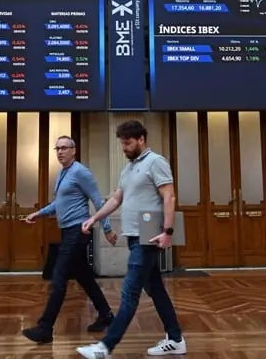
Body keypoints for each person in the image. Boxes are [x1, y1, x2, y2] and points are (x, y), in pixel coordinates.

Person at [76, 120, 186, 358]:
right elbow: (116, 199)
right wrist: (94, 218)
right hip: (134, 236)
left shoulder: (156, 162)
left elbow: (169, 196)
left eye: (127, 143)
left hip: (148, 238)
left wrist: (168, 232)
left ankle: (105, 347)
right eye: (122, 144)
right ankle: (175, 338)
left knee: (130, 291)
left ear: (141, 140)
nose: (124, 148)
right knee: (155, 289)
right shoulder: (127, 170)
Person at [21, 135, 118, 345]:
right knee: (84, 276)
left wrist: (107, 229)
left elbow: (98, 200)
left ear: (74, 150)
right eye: (57, 148)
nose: (60, 152)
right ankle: (106, 315)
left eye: (64, 148)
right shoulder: (63, 174)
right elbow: (60, 203)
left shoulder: (81, 172)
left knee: (59, 278)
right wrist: (39, 213)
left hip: (78, 231)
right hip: (67, 232)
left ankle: (45, 328)